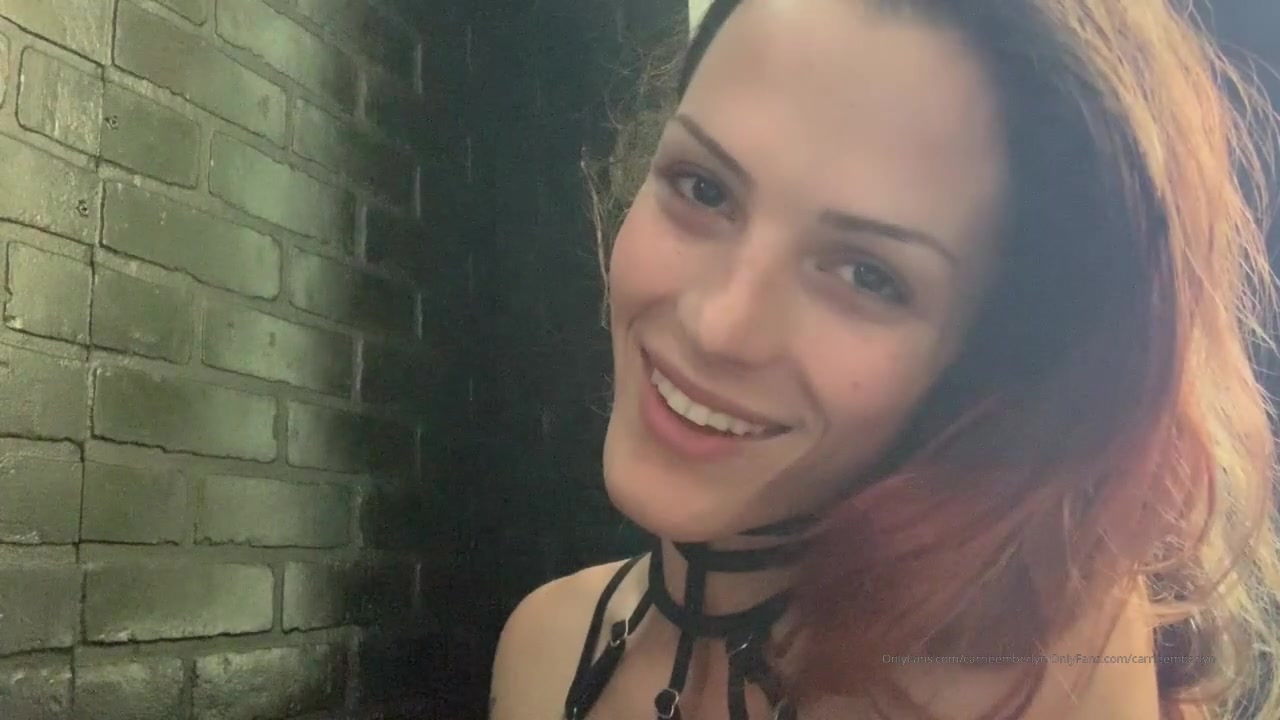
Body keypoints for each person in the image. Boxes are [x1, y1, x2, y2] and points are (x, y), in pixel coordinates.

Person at [490, 0, 1280, 718]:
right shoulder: (542, 649)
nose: (717, 326)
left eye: (868, 275)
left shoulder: (1039, 681)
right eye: (701, 188)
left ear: (986, 361)